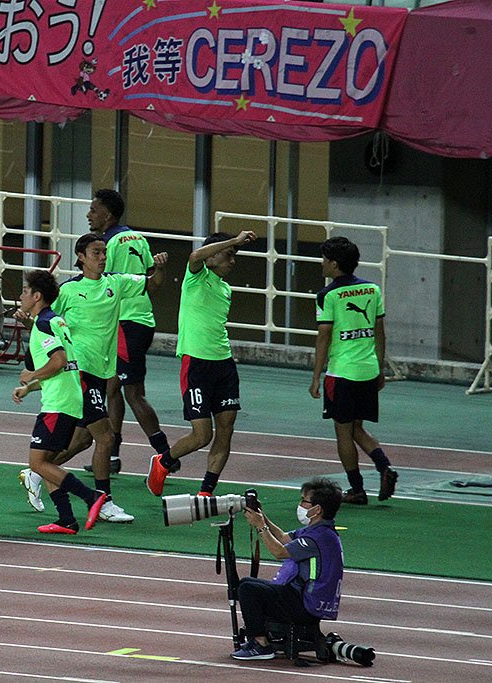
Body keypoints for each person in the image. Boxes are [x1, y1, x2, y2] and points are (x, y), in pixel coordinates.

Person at [19, 231, 164, 523]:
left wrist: (159, 268)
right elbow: (47, 321)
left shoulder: (116, 283)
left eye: (104, 252)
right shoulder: (69, 290)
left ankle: (38, 471)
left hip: (101, 371)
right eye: (96, 253)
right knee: (106, 437)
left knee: (84, 440)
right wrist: (31, 328)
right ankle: (103, 501)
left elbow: (152, 284)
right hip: (79, 371)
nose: (102, 257)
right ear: (81, 257)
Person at [147, 230, 256, 497]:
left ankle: (206, 490)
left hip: (224, 365)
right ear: (212, 256)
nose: (233, 260)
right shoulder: (196, 276)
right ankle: (163, 462)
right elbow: (195, 256)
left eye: (235, 256)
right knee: (202, 435)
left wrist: (232, 247)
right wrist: (235, 240)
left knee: (226, 428)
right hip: (196, 364)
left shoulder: (225, 289)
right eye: (228, 255)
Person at [82, 188, 170, 475]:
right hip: (142, 320)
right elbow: (151, 279)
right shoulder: (138, 238)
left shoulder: (106, 245)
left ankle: (167, 456)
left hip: (124, 323)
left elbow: (100, 281)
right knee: (113, 387)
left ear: (107, 214)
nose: (89, 215)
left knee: (133, 393)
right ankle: (112, 455)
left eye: (93, 210)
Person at [12, 269, 106, 534]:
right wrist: (30, 388)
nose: (21, 296)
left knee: (37, 463)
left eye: (25, 291)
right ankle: (67, 520)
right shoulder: (57, 322)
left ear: (37, 296)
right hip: (69, 399)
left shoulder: (43, 325)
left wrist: (31, 375)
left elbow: (59, 361)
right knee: (48, 464)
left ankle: (92, 497)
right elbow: (65, 367)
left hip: (59, 403)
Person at [310, 236, 397, 505]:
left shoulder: (327, 295)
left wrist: (316, 377)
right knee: (357, 428)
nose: (322, 263)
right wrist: (379, 368)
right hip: (368, 370)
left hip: (342, 373)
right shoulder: (372, 289)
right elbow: (380, 332)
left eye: (325, 259)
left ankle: (357, 490)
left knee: (343, 431)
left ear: (334, 264)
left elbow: (323, 338)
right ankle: (384, 466)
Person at [231, 477, 344, 661]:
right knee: (246, 583)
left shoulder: (317, 538)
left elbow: (279, 552)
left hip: (306, 605)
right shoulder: (320, 531)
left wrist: (260, 526)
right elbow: (283, 537)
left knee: (248, 589)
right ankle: (261, 639)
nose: (300, 505)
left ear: (317, 509)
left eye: (304, 501)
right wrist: (261, 516)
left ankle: (261, 644)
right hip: (305, 599)